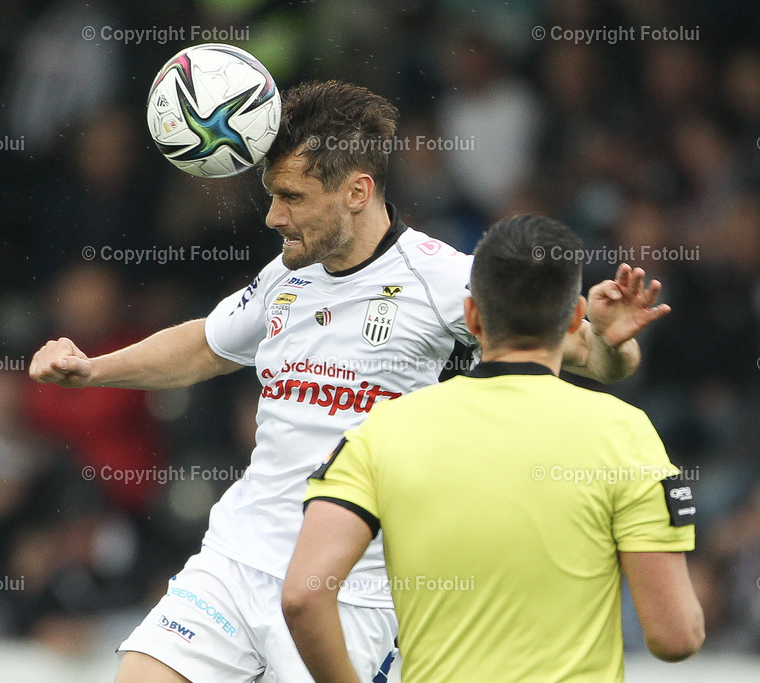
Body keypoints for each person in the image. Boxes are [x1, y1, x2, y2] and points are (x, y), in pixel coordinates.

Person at [29, 81, 669, 682]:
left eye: (293, 198)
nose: (274, 217)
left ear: (358, 192)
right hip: (237, 557)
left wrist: (614, 345)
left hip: (357, 587)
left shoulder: (447, 282)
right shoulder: (287, 274)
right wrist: (92, 370)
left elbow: (586, 357)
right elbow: (205, 345)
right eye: (272, 195)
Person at [282, 215, 704, 682]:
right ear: (576, 318)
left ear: (472, 316)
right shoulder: (624, 435)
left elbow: (303, 597)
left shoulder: (384, 429)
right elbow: (674, 636)